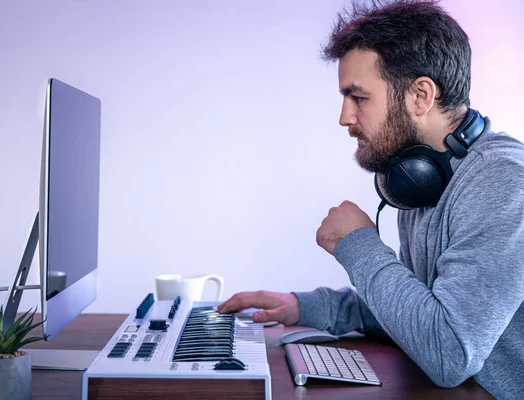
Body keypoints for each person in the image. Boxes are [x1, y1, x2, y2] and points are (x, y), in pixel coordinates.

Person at [216, 1, 524, 399]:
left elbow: (449, 353)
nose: (344, 117)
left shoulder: (502, 181)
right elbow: (418, 313)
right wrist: (305, 306)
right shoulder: (419, 178)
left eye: (358, 97)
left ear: (420, 95)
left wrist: (358, 244)